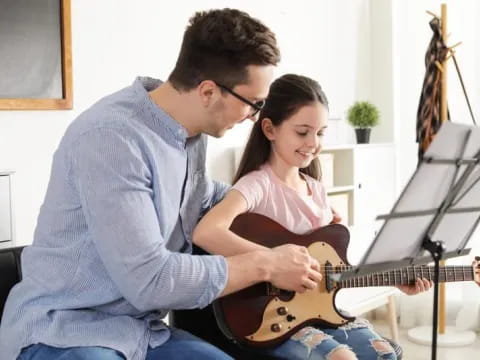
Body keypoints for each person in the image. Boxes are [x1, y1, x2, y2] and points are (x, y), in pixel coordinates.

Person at [0, 9, 324, 360]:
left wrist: (293, 200)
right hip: (63, 331)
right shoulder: (110, 139)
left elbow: (204, 198)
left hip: (140, 332)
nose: (254, 118)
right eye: (254, 104)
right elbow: (150, 280)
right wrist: (266, 264)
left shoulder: (188, 136)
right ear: (208, 92)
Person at [193, 74, 434, 360]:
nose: (313, 143)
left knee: (384, 354)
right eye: (302, 131)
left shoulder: (317, 190)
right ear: (269, 129)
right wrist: (273, 261)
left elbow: (328, 273)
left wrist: (394, 278)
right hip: (272, 319)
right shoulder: (257, 184)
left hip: (317, 312)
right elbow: (205, 232)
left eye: (320, 133)